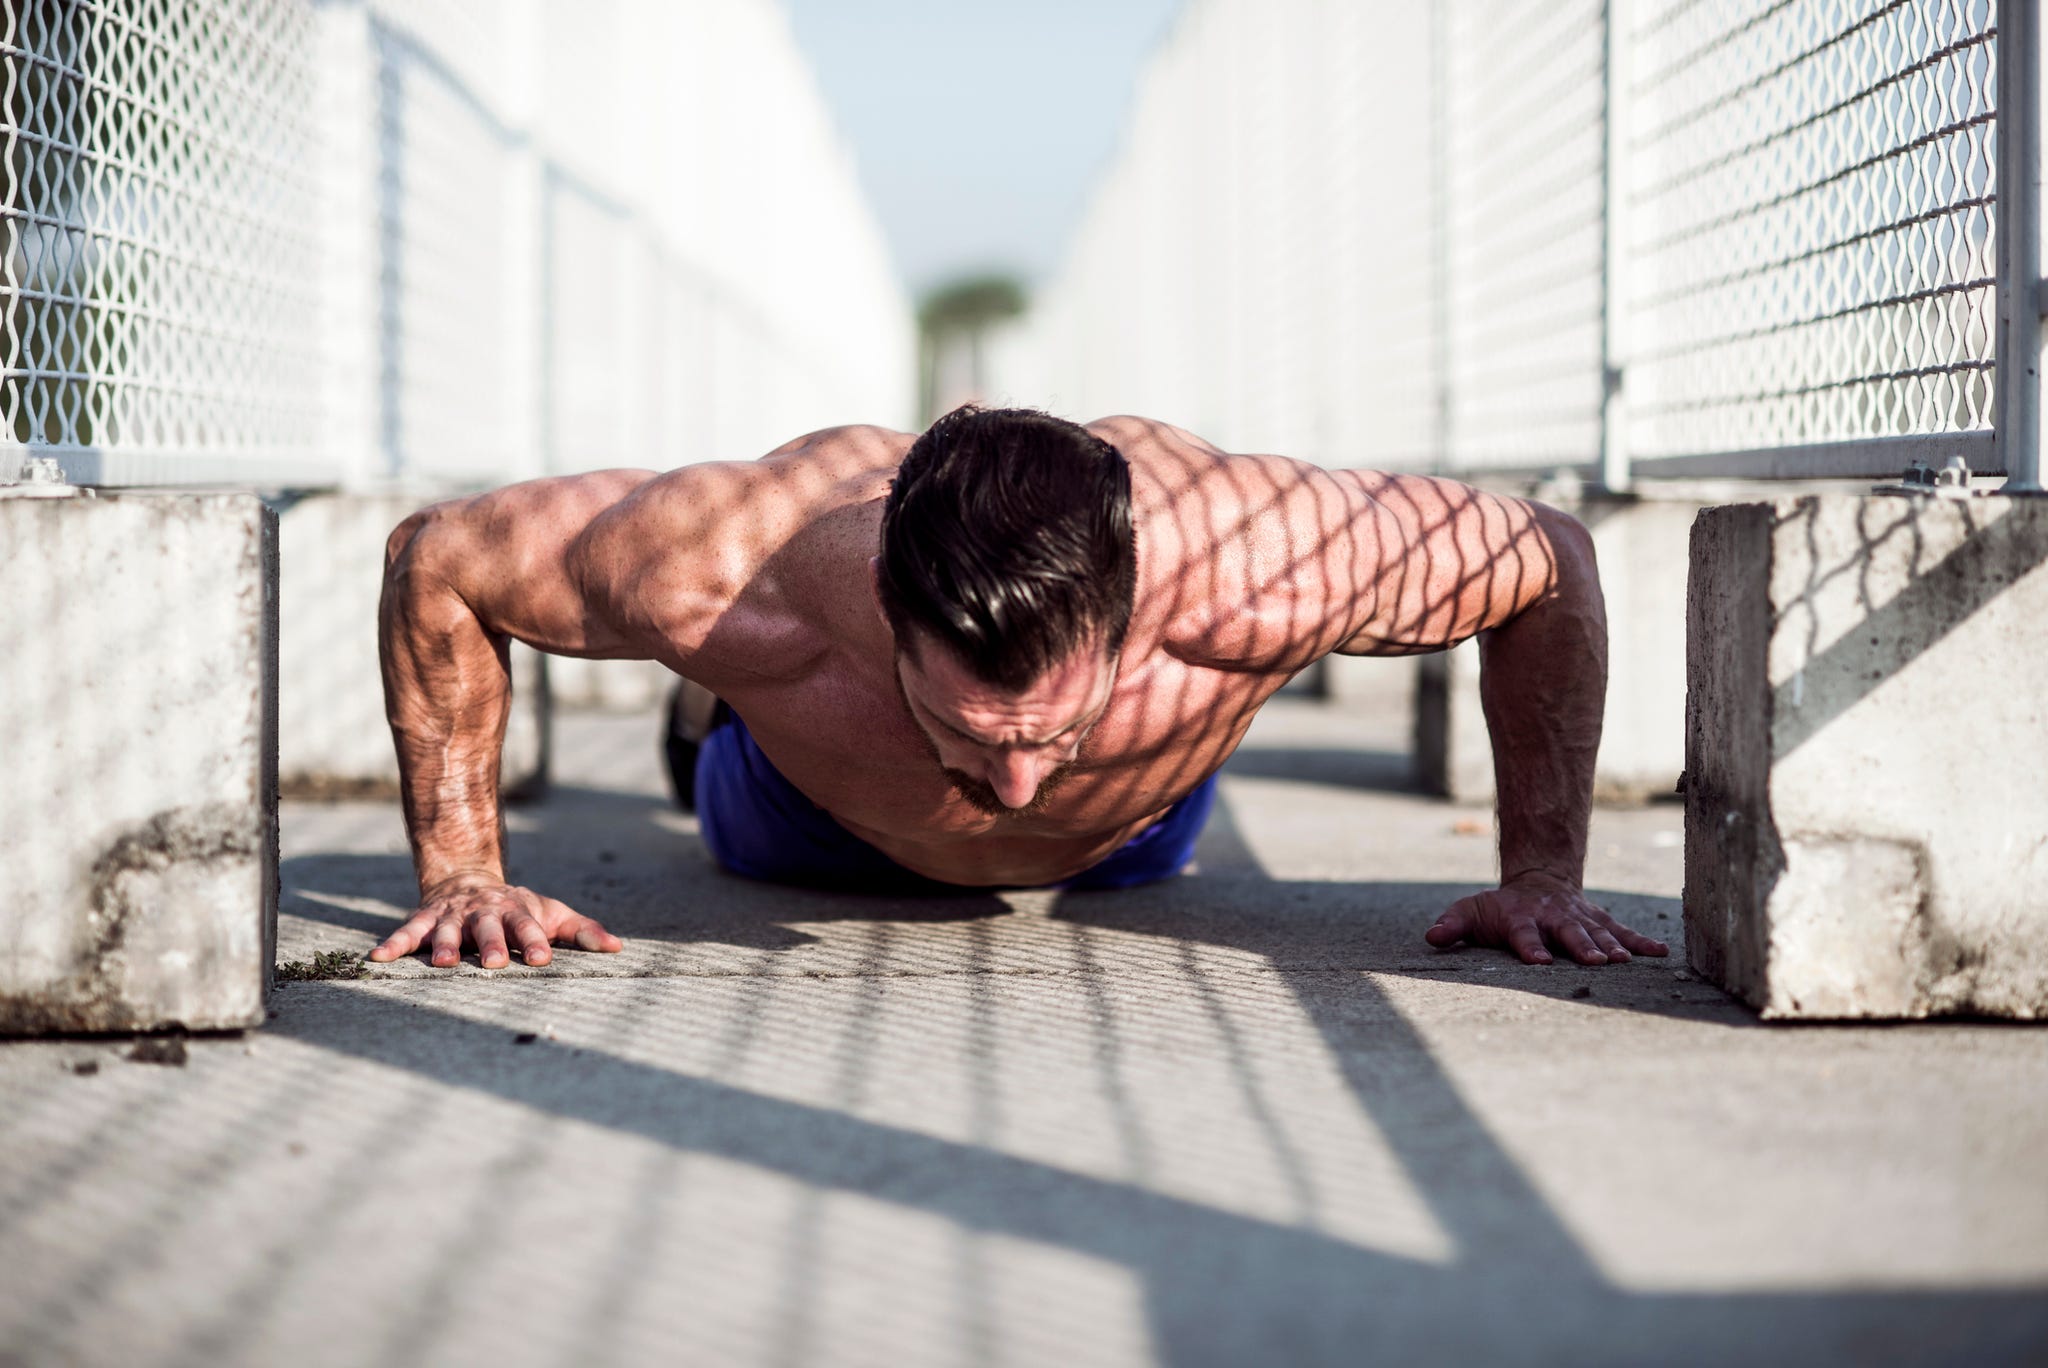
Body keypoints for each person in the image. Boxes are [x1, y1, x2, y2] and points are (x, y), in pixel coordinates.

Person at [368, 407, 1667, 971]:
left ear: (1127, 615)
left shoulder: (1261, 566)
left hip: (1137, 836)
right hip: (805, 825)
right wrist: (465, 875)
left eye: (1050, 729)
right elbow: (438, 559)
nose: (1013, 785)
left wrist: (1542, 875)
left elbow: (1546, 560)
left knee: (1063, 773)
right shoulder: (728, 570)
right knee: (723, 698)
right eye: (968, 729)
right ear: (882, 609)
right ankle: (704, 709)